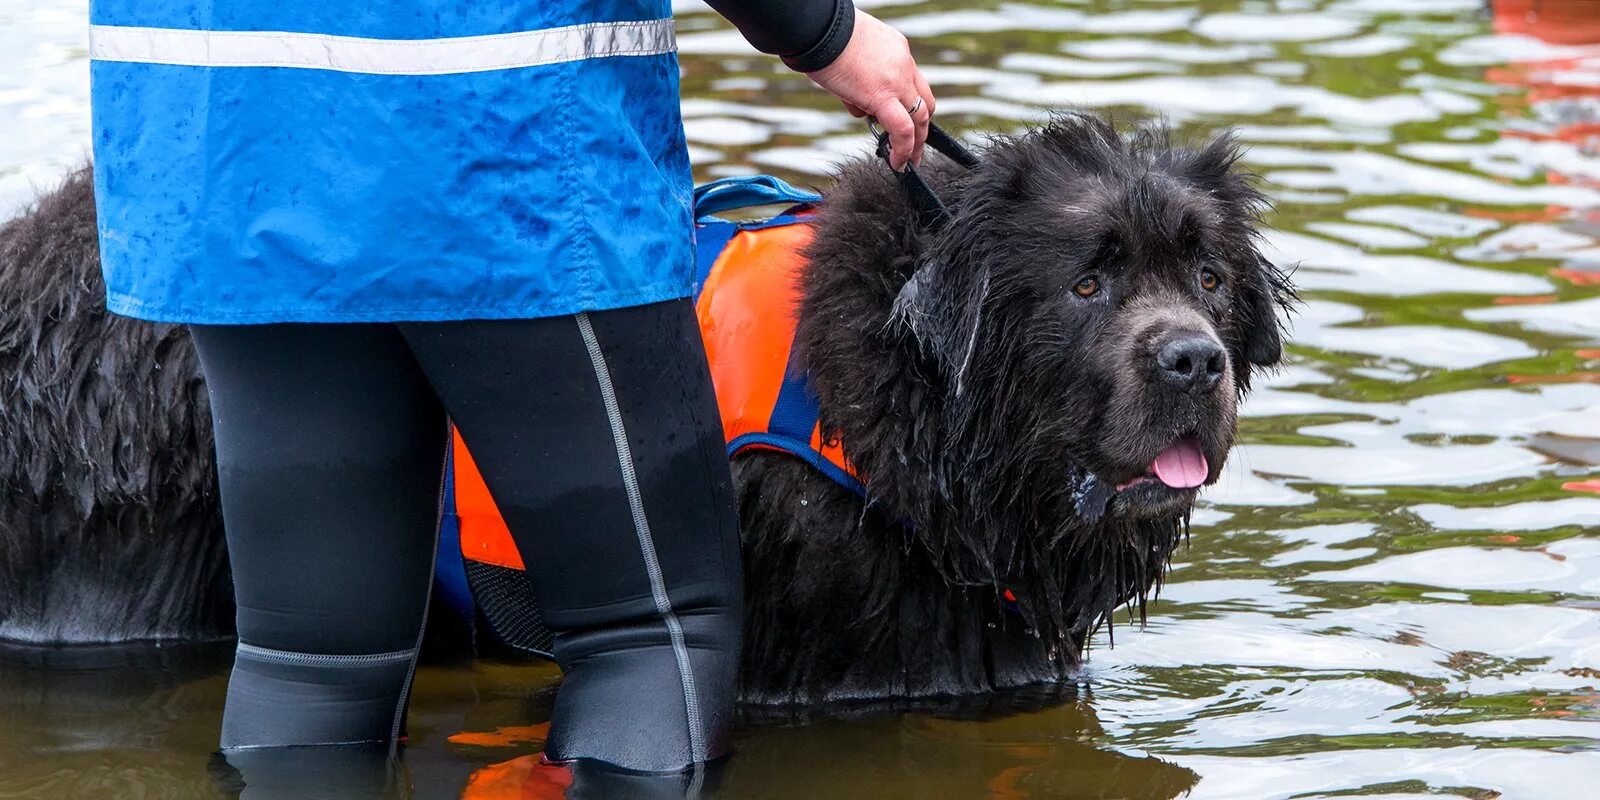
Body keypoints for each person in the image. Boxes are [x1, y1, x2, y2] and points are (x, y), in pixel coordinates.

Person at [86, 0, 932, 783]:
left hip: (225, 146)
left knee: (313, 664)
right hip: (505, 140)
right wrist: (826, 32)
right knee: (644, 637)